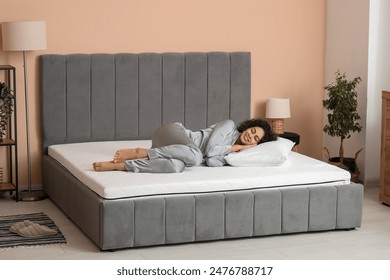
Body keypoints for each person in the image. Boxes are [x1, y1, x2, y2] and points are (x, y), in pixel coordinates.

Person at [93, 119, 275, 173]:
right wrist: (236, 148)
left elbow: (211, 163)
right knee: (196, 157)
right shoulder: (229, 126)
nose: (250, 136)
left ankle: (120, 166)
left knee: (176, 167)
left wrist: (237, 151)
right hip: (170, 134)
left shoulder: (236, 157)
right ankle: (141, 152)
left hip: (179, 155)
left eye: (255, 138)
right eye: (252, 131)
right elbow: (210, 152)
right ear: (248, 127)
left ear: (257, 144)